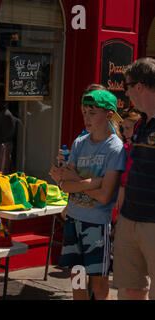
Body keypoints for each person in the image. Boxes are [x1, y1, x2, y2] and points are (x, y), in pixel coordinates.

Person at [49, 90, 126, 300]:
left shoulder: (115, 148)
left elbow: (104, 196)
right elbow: (65, 185)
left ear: (109, 115)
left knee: (99, 286)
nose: (86, 118)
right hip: (73, 220)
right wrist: (93, 182)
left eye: (92, 112)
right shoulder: (79, 143)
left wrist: (77, 181)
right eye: (84, 112)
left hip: (97, 224)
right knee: (77, 280)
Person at [113, 57, 155, 300]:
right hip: (130, 218)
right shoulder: (140, 123)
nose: (126, 92)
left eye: (126, 86)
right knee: (129, 290)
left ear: (139, 86)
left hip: (152, 222)